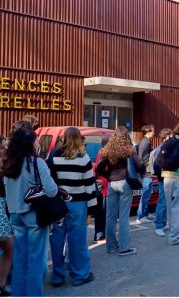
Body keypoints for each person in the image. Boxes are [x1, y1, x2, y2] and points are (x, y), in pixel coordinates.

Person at [2, 128, 58, 296]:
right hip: (34, 214)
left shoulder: (8, 164)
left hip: (15, 214)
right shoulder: (36, 162)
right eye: (35, 140)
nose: (37, 143)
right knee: (35, 260)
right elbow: (52, 190)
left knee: (19, 260)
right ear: (30, 143)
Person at [47, 127, 96, 287]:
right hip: (78, 204)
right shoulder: (84, 157)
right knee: (78, 240)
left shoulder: (54, 156)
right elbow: (90, 186)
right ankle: (79, 275)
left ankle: (57, 276)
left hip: (58, 204)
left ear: (64, 138)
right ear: (79, 139)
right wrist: (92, 208)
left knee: (56, 240)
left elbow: (50, 180)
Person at [97, 126, 143, 256]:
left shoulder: (108, 149)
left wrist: (108, 176)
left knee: (110, 216)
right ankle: (125, 247)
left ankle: (111, 246)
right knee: (123, 217)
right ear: (126, 136)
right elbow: (140, 165)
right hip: (125, 183)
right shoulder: (129, 149)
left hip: (112, 183)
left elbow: (99, 167)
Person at [152, 128, 172, 237]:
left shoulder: (166, 147)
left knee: (165, 202)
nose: (172, 138)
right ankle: (158, 226)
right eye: (170, 136)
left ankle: (163, 223)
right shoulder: (161, 148)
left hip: (166, 178)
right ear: (166, 137)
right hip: (162, 178)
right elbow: (157, 165)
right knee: (162, 202)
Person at [0, 136, 12, 297]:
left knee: (9, 249)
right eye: (2, 147)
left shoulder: (5, 165)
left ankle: (2, 284)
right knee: (9, 248)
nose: (4, 149)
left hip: (4, 210)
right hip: (1, 212)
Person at [136, 125, 155, 224]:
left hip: (146, 172)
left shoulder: (146, 142)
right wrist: (148, 168)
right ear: (148, 132)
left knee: (147, 194)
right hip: (146, 173)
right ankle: (140, 216)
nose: (154, 133)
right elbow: (142, 158)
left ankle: (145, 213)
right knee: (145, 194)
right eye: (153, 131)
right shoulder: (145, 143)